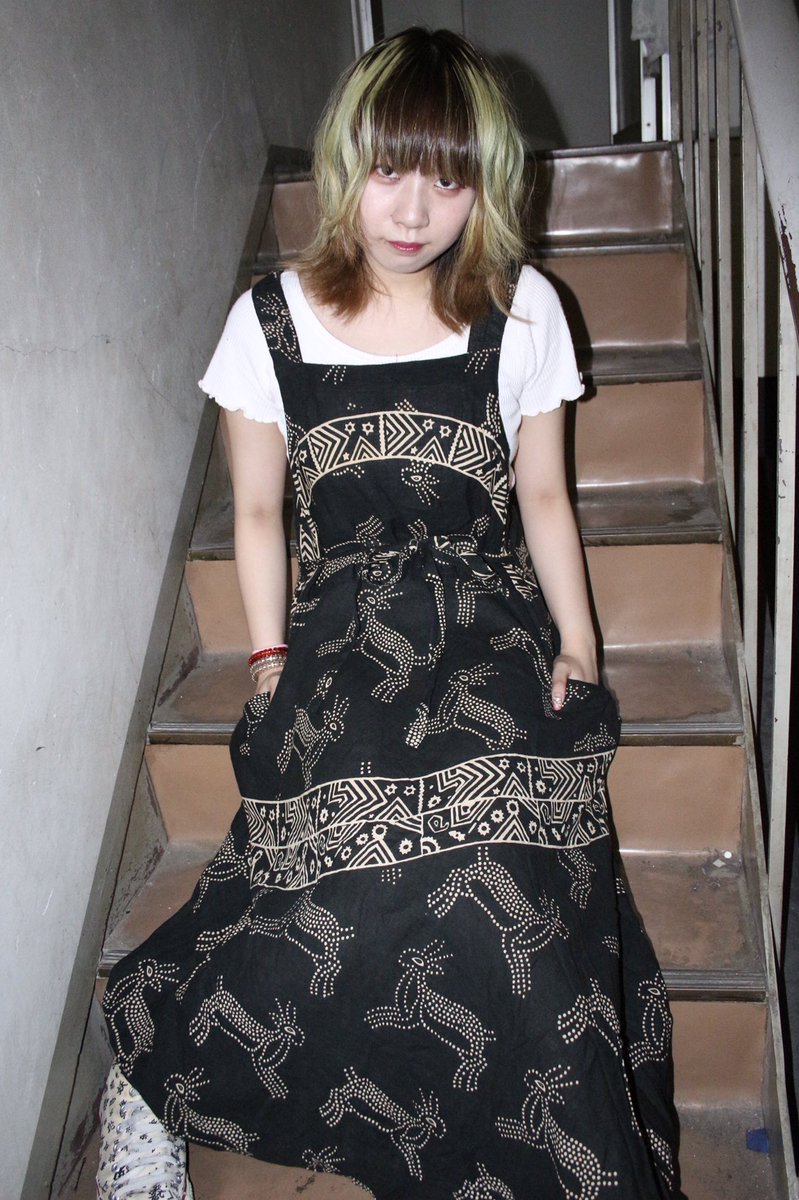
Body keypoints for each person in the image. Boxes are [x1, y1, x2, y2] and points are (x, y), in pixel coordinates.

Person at [97, 27, 678, 1200]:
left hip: (490, 616)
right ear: (345, 163)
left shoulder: (522, 308)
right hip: (340, 626)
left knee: (509, 871)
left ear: (486, 185)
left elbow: (545, 497)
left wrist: (576, 644)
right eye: (389, 169)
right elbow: (255, 513)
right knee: (349, 876)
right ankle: (154, 1070)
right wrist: (268, 659)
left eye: (449, 179)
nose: (414, 209)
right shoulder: (267, 319)